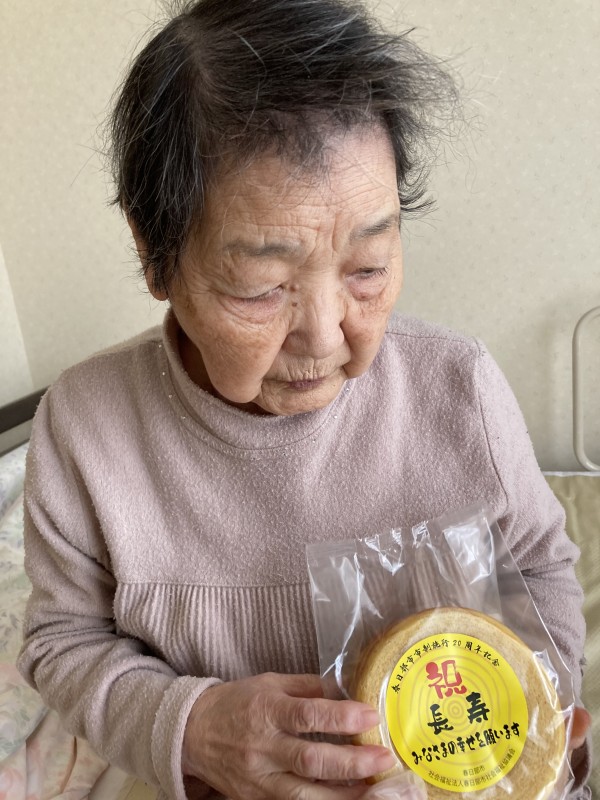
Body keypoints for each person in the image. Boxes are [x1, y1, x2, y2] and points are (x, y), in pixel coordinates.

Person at [17, 1, 591, 798]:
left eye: (368, 269)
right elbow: (62, 640)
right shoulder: (86, 426)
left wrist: (531, 722)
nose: (324, 335)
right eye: (261, 288)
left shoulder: (459, 387)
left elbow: (541, 568)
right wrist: (193, 725)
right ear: (156, 257)